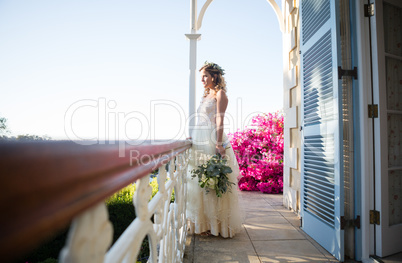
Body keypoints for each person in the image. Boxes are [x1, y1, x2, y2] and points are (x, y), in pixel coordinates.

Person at [186, 61, 244, 238]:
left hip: (212, 140)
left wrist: (218, 144)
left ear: (215, 76)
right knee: (199, 182)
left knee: (213, 182)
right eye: (201, 76)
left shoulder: (220, 94)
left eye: (205, 75)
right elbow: (201, 119)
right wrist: (193, 137)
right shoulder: (205, 96)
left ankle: (218, 226)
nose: (202, 79)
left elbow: (220, 120)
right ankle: (202, 224)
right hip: (199, 141)